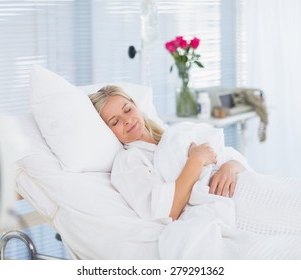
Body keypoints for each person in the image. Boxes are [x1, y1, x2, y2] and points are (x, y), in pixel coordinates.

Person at [89, 85, 246, 222]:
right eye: (115, 122)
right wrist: (196, 160)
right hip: (225, 205)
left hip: (240, 185)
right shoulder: (128, 161)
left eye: (128, 110)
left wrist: (229, 167)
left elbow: (231, 157)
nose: (127, 120)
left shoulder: (170, 135)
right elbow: (167, 212)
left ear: (136, 106)